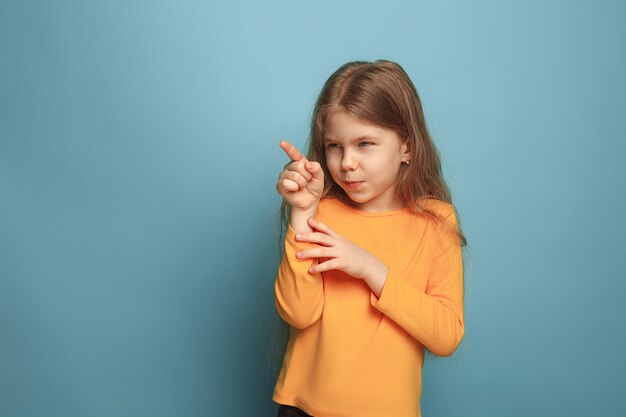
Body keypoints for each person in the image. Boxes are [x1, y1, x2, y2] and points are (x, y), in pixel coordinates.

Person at [272, 59, 467, 417]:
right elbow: (297, 314)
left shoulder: (436, 223)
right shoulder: (322, 212)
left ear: (406, 147)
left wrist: (371, 269)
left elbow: (446, 336)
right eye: (335, 146)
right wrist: (302, 213)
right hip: (303, 409)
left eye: (365, 144)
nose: (347, 162)